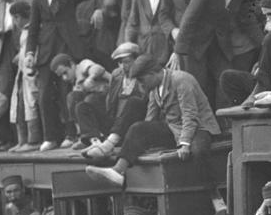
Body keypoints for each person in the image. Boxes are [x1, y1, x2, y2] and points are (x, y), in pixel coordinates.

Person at [84, 57, 220, 189]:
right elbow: (150, 118)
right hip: (175, 128)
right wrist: (143, 138)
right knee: (139, 128)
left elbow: (190, 115)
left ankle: (213, 193)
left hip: (199, 128)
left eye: (142, 80)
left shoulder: (181, 80)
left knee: (198, 151)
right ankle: (118, 170)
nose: (141, 85)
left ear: (152, 73)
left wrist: (185, 143)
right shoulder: (155, 86)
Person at [26, 0, 104, 150]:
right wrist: (30, 53)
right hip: (46, 53)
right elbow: (32, 29)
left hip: (68, 49)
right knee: (45, 95)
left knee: (65, 93)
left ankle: (70, 134)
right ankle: (50, 137)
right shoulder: (38, 1)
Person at [171, 0, 264, 108]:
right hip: (196, 46)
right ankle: (203, 127)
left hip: (220, 45)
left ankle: (225, 124)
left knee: (224, 81)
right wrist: (178, 51)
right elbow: (189, 18)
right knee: (199, 86)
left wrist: (264, 44)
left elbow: (247, 21)